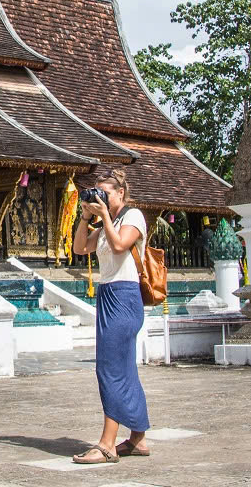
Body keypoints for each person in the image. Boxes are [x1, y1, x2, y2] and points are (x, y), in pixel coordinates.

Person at [70, 168, 151, 464]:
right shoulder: (107, 224)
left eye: (106, 193)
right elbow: (80, 247)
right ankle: (138, 438)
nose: (102, 197)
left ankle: (107, 443)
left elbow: (120, 246)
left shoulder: (133, 217)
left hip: (125, 297)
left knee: (109, 368)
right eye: (98, 193)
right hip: (107, 295)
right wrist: (85, 217)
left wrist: (104, 216)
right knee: (124, 369)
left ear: (120, 193)